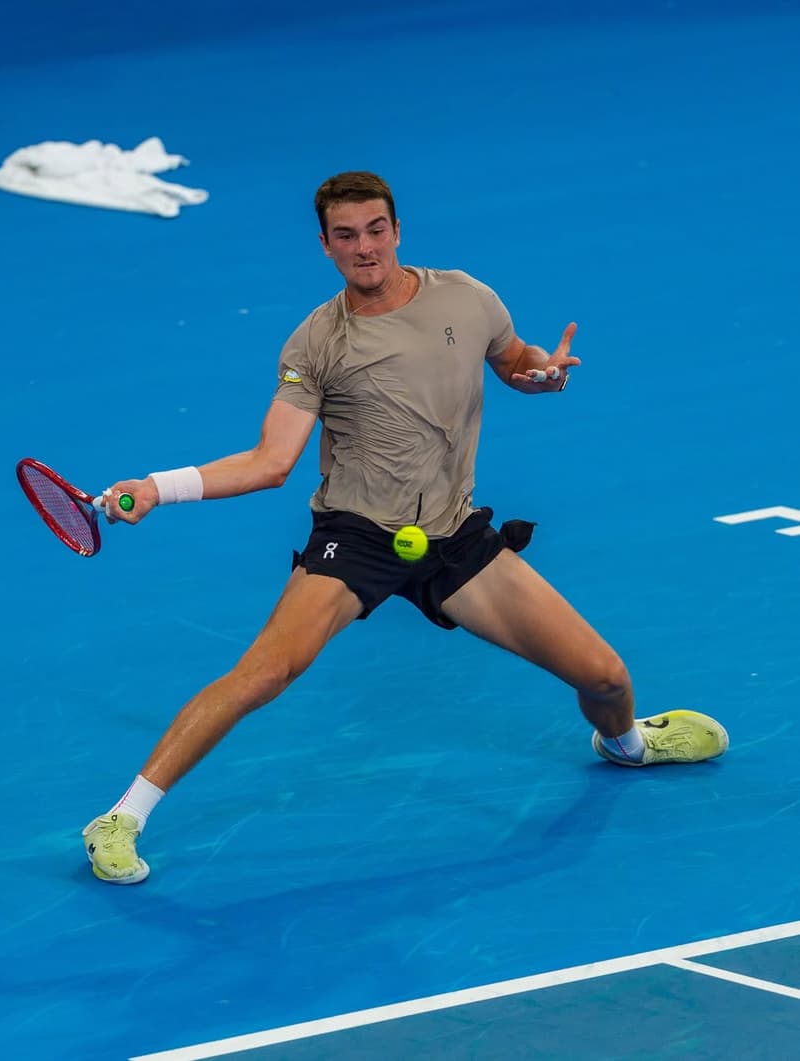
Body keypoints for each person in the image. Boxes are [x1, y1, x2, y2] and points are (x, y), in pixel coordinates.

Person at [82, 171, 729, 884]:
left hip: (455, 536)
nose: (364, 247)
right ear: (325, 246)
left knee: (605, 677)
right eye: (346, 235)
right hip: (356, 536)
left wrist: (543, 374)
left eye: (375, 229)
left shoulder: (467, 296)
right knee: (264, 672)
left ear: (397, 229)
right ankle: (121, 816)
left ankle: (629, 746)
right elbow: (271, 462)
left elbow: (512, 362)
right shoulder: (316, 343)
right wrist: (158, 488)